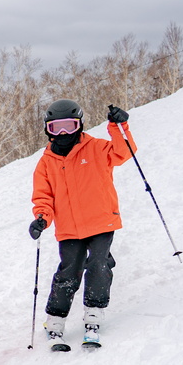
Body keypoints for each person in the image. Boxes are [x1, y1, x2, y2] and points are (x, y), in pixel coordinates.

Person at [28, 101, 133, 349]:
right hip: (69, 227)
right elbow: (43, 196)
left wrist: (119, 126)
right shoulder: (46, 162)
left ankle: (94, 313)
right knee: (69, 271)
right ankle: (55, 320)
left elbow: (123, 152)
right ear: (48, 129)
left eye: (69, 126)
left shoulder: (96, 148)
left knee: (98, 264)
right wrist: (42, 217)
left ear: (80, 125)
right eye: (56, 128)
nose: (63, 133)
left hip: (101, 221)